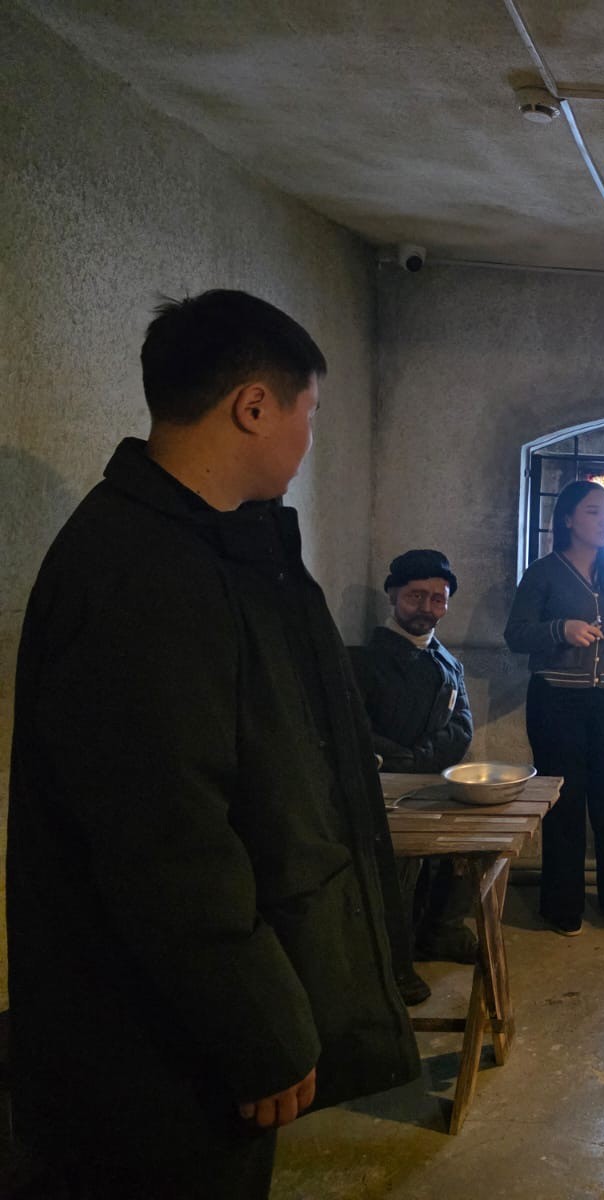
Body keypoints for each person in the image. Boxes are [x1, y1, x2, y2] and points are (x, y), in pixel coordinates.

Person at [6, 290, 419, 1199]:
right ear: (254, 407)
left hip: (182, 1028)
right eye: (309, 413)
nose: (307, 439)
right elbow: (169, 845)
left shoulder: (212, 552)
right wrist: (260, 1027)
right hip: (149, 1053)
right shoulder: (141, 574)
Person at [504, 480, 604, 936]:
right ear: (568, 519)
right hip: (556, 700)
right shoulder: (542, 573)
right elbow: (516, 635)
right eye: (594, 512)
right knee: (564, 801)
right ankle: (561, 904)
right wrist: (561, 629)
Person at [350, 549, 478, 997]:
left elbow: (462, 726)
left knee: (466, 848)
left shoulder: (449, 662)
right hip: (384, 789)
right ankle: (394, 962)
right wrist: (402, 762)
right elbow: (355, 729)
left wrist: (421, 759)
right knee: (401, 865)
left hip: (433, 781)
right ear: (392, 596)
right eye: (415, 596)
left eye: (437, 599)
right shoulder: (363, 661)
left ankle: (441, 930)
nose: (426, 608)